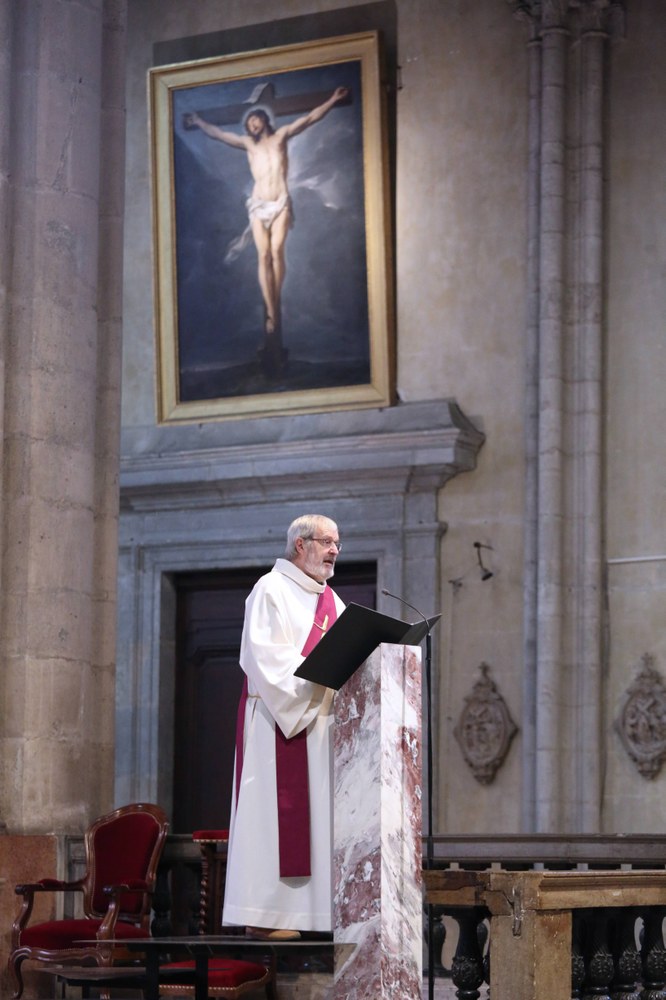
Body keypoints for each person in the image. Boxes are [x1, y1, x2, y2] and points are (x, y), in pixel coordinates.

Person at [222, 514, 345, 940]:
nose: (334, 551)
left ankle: (317, 915)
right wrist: (316, 680)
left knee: (318, 822)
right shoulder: (269, 589)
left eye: (337, 543)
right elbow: (264, 658)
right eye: (326, 542)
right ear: (300, 545)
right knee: (272, 819)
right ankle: (265, 915)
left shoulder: (334, 603)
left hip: (321, 725)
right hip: (278, 721)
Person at [185, 87, 349, 336]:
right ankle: (272, 311)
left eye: (255, 119)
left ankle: (275, 301)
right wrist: (198, 121)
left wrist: (333, 100)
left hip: (280, 202)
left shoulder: (281, 136)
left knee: (276, 251)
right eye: (248, 122)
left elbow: (309, 119)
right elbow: (218, 134)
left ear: (264, 119)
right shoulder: (248, 144)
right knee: (263, 256)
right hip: (258, 205)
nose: (251, 124)